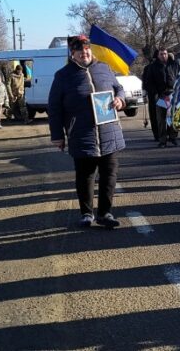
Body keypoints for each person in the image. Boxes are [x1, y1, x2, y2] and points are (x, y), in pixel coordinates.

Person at [48, 34, 126, 229]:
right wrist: (57, 135)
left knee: (109, 175)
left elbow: (119, 88)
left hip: (109, 133)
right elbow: (55, 107)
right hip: (81, 134)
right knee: (85, 177)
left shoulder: (105, 68)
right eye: (79, 50)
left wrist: (120, 99)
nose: (84, 53)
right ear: (72, 54)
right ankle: (86, 213)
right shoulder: (63, 75)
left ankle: (105, 213)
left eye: (86, 49)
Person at [146, 47, 179, 147]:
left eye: (165, 53)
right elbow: (149, 82)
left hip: (173, 94)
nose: (163, 55)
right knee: (161, 119)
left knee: (173, 117)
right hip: (161, 95)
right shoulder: (153, 67)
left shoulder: (174, 64)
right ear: (158, 55)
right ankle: (162, 140)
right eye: (161, 54)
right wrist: (155, 94)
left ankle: (173, 137)